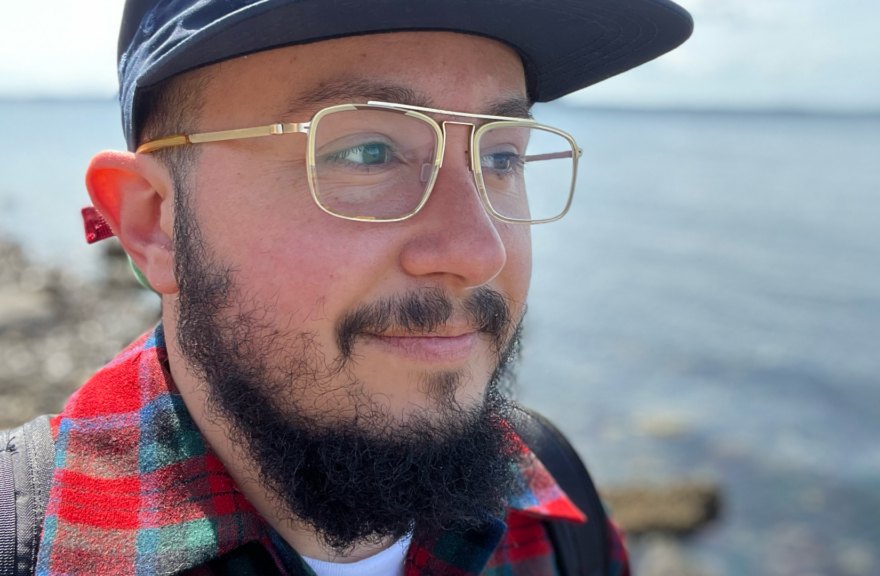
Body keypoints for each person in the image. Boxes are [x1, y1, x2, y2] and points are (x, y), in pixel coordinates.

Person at [3, 1, 692, 574]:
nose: (477, 251)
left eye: (500, 155)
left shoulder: (558, 514)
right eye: (367, 151)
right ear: (154, 223)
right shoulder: (25, 542)